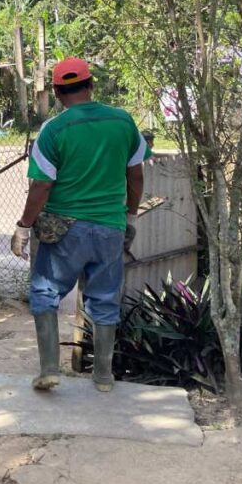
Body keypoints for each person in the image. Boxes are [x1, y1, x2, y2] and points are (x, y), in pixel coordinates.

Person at [10, 58, 151, 393]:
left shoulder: (54, 130)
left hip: (64, 231)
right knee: (104, 299)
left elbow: (41, 186)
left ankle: (49, 369)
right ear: (91, 85)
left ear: (58, 93)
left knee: (45, 293)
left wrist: (24, 226)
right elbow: (136, 174)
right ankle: (103, 375)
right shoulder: (122, 121)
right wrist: (130, 215)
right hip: (109, 227)